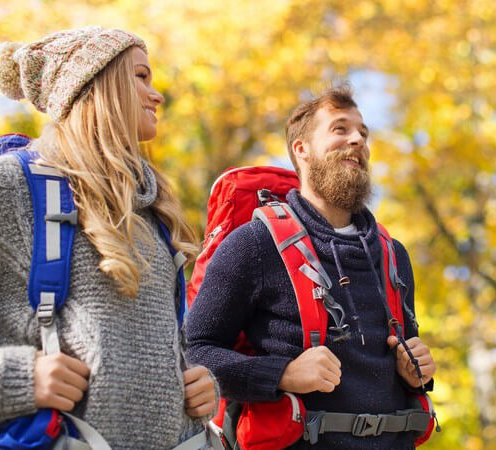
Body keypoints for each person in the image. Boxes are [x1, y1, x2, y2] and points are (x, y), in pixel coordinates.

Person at [0, 26, 218, 448]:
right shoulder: (8, 187)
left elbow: (151, 345)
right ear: (94, 83)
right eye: (141, 77)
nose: (157, 95)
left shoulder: (154, 209)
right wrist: (15, 379)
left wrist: (196, 381)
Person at [186, 85, 436, 448]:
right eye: (340, 129)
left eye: (363, 133)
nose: (358, 141)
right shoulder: (254, 244)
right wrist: (282, 374)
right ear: (301, 150)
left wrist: (417, 372)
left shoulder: (393, 255)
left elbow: (406, 360)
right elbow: (194, 351)